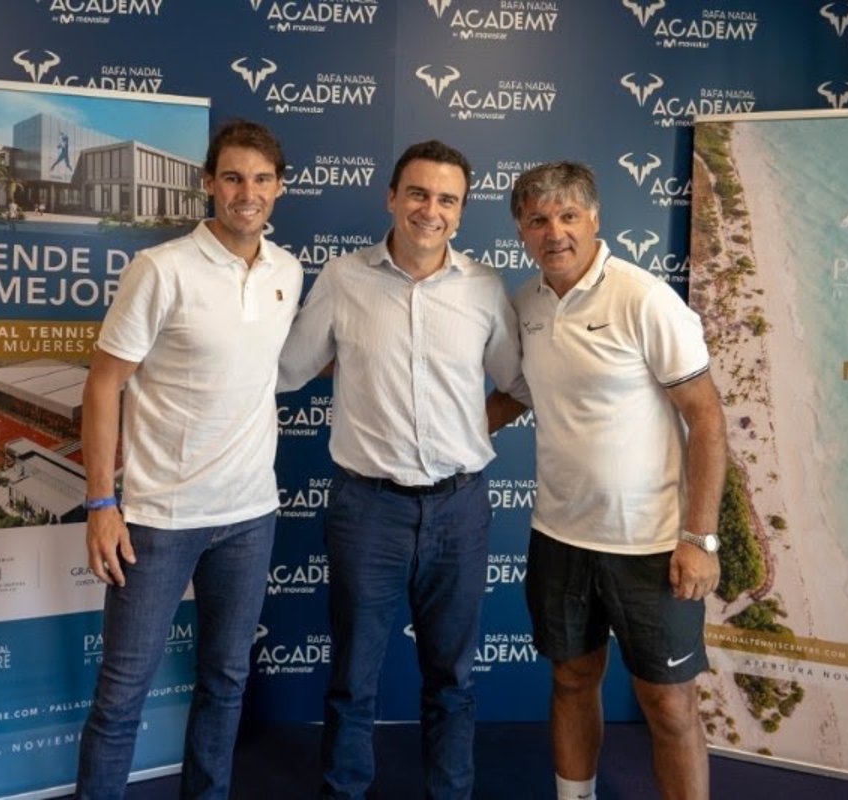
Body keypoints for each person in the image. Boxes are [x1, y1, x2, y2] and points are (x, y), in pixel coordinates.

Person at [278, 139, 530, 799]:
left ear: (462, 211)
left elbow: (518, 384)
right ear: (392, 197)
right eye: (418, 193)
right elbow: (289, 368)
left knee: (453, 680)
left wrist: (467, 430)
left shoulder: (483, 288)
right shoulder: (343, 278)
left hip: (460, 509)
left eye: (447, 199)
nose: (430, 210)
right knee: (352, 679)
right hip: (367, 510)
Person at [75, 118, 302, 800]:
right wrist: (100, 502)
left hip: (250, 515)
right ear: (208, 183)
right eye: (232, 178)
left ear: (280, 187)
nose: (247, 193)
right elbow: (103, 384)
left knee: (226, 682)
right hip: (157, 519)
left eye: (261, 179)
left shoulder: (287, 271)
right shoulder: (160, 269)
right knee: (122, 696)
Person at [500, 162, 727, 800]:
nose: (555, 232)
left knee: (670, 704)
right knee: (572, 681)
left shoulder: (643, 297)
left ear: (594, 219)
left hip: (652, 545)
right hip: (560, 538)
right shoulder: (525, 304)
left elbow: (707, 418)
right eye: (538, 220)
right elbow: (516, 395)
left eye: (568, 216)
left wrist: (700, 538)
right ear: (521, 231)